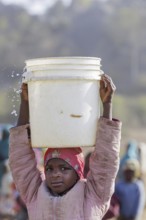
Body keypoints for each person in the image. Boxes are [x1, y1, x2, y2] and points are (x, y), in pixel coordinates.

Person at [9, 74, 122, 220]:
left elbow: (106, 160)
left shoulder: (93, 196)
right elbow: (20, 160)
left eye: (64, 168)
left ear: (78, 171)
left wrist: (107, 104)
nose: (55, 174)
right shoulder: (35, 194)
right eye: (49, 169)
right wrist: (25, 102)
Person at [84, 151, 120, 220]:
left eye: (94, 160)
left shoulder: (102, 175)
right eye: (89, 160)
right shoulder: (80, 176)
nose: (91, 163)